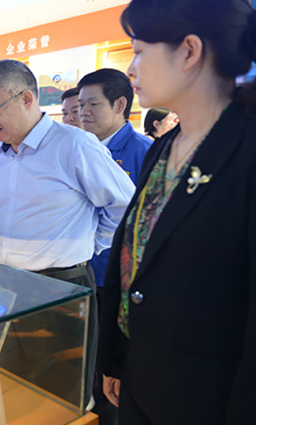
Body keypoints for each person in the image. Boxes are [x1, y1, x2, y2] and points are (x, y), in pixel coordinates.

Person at [99, 1, 256, 424]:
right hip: (142, 374)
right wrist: (117, 355)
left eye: (139, 51)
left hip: (207, 393)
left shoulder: (246, 147)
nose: (131, 68)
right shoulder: (167, 145)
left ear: (189, 51)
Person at [0, 59, 135, 407]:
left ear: (26, 99)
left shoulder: (74, 145)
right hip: (6, 288)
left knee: (63, 398)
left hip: (61, 289)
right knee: (13, 391)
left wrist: (88, 244)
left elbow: (124, 205)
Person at [78, 67, 152, 424]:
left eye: (92, 104)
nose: (83, 112)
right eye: (80, 105)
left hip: (120, 282)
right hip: (84, 275)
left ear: (120, 104)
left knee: (113, 368)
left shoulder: (143, 152)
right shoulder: (79, 147)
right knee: (85, 362)